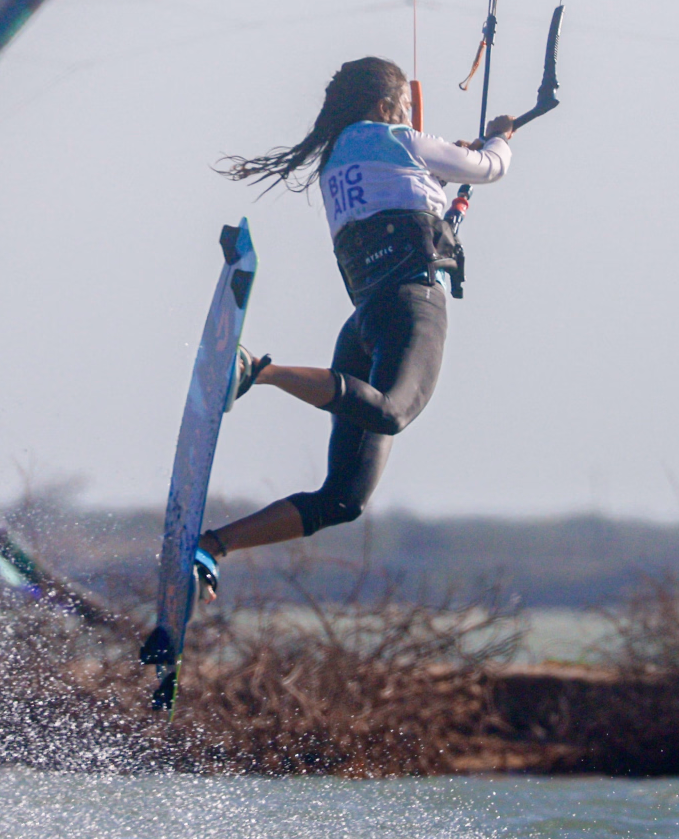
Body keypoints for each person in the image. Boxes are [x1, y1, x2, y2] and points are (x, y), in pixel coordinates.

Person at [192, 56, 516, 596]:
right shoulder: (400, 141)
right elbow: (490, 169)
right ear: (386, 107)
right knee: (392, 412)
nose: (410, 120)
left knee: (344, 500)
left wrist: (444, 163)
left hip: (367, 320)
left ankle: (213, 545)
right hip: (411, 306)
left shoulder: (335, 161)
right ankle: (258, 371)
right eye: (405, 110)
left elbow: (401, 188)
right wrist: (499, 139)